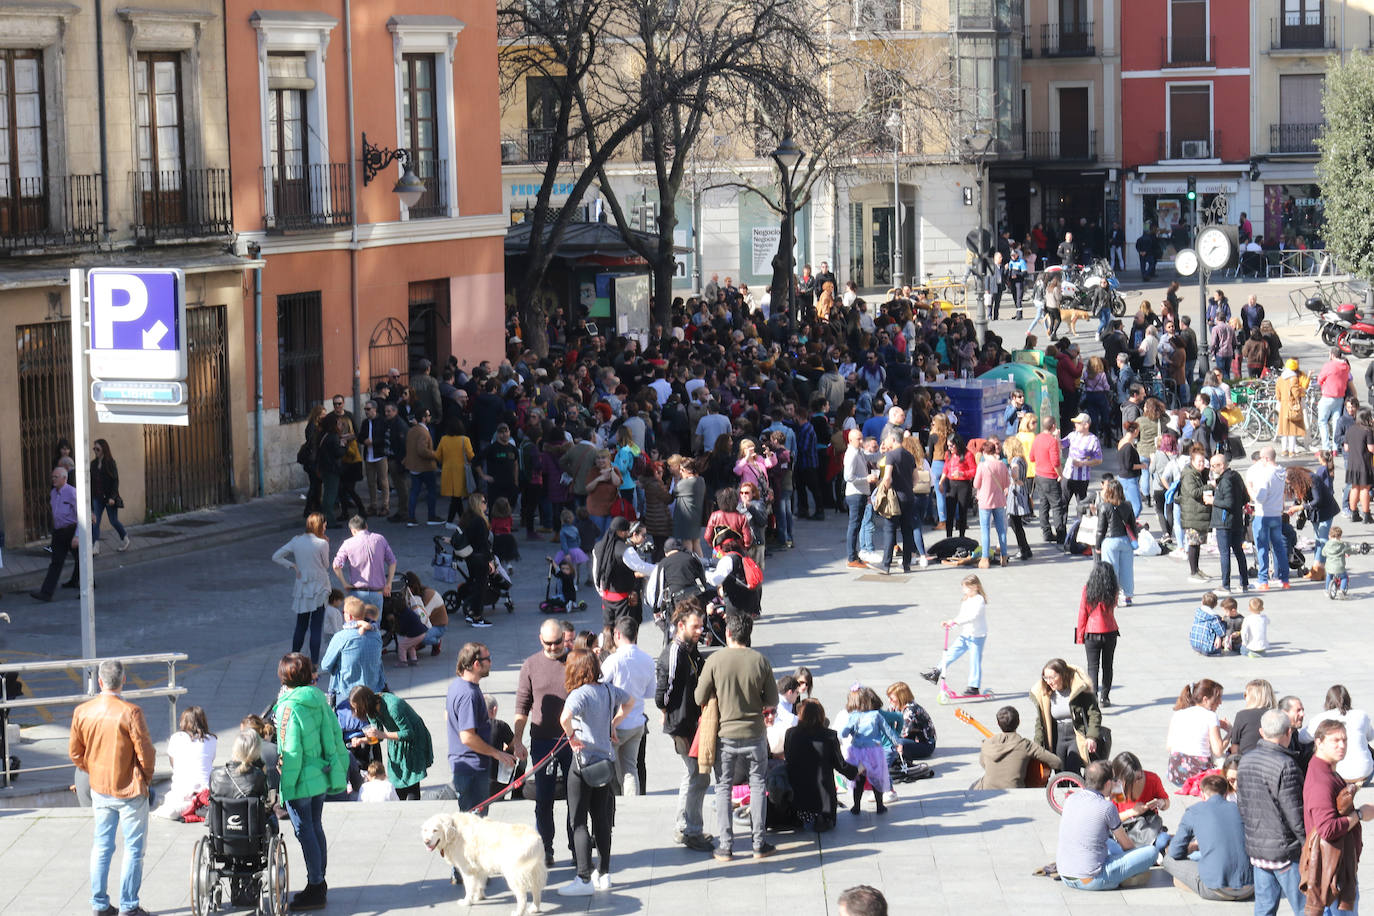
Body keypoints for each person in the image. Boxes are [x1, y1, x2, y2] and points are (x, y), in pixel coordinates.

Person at [70, 660, 155, 916]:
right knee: (133, 849)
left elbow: (75, 752)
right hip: (129, 789)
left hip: (100, 788)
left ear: (99, 681)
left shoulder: (83, 711)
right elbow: (146, 753)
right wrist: (145, 777)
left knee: (102, 846)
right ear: (124, 680)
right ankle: (129, 906)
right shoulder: (131, 712)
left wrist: (92, 769)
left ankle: (99, 904)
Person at [694, 612, 778, 861]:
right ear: (748, 635)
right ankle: (759, 843)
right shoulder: (760, 661)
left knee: (723, 787)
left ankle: (726, 846)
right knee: (758, 785)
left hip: (725, 736)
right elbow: (772, 699)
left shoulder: (715, 660)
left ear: (728, 633)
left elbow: (699, 697)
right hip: (754, 733)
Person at [274, 652, 348, 911]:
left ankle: (315, 886)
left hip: (301, 779)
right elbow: (335, 736)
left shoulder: (288, 705)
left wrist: (287, 787)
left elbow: (290, 750)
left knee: (305, 831)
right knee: (316, 827)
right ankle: (319, 882)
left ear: (286, 677)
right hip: (320, 776)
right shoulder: (318, 698)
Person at [556, 648, 634, 896]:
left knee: (578, 822)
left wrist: (571, 737)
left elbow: (564, 717)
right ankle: (604, 873)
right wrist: (613, 724)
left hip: (582, 765)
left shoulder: (578, 694)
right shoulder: (608, 690)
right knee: (602, 820)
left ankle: (583, 878)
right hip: (605, 764)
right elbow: (630, 701)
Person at [512, 619, 572, 865]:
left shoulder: (575, 660)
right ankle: (545, 849)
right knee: (544, 797)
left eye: (558, 642)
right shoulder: (531, 665)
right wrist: (517, 740)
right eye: (548, 643)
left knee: (575, 797)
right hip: (542, 741)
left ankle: (577, 847)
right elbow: (522, 706)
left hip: (571, 741)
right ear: (541, 640)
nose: (553, 647)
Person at [656, 598, 714, 852]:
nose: (700, 631)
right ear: (681, 625)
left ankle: (684, 825)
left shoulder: (689, 649)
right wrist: (667, 711)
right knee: (699, 775)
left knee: (692, 775)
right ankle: (691, 830)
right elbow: (662, 694)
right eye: (696, 627)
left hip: (689, 721)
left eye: (701, 626)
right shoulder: (675, 652)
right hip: (682, 724)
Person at [1237, 708, 1308, 915]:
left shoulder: (1245, 760)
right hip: (1284, 852)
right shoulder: (1286, 765)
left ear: (1261, 732)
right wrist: (1308, 846)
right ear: (1288, 733)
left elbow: (1242, 806)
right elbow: (1296, 816)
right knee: (1305, 907)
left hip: (1258, 850)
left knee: (1264, 908)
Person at [1056, 761, 1158, 891]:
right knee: (1151, 852)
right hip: (1091, 879)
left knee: (1109, 842)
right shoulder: (1107, 808)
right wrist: (1138, 858)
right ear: (1108, 783)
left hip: (1065, 874)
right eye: (1114, 780)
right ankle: (1124, 875)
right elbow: (1126, 845)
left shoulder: (1072, 799)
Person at [448, 642, 516, 814]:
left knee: (472, 823)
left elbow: (447, 715)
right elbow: (467, 737)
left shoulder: (457, 685)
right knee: (475, 827)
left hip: (466, 766)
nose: (491, 662)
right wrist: (497, 753)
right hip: (472, 769)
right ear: (476, 664)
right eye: (488, 659)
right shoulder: (468, 694)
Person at [1163, 773, 1254, 900]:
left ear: (1203, 794)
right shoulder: (1241, 809)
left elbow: (1175, 851)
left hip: (1217, 889)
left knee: (1168, 859)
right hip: (1250, 888)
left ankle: (1192, 883)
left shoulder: (1194, 811)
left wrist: (1193, 847)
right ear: (1226, 793)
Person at [786, 697, 862, 831]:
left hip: (798, 791)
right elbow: (841, 766)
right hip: (822, 795)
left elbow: (789, 758)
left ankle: (801, 815)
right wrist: (858, 769)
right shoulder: (830, 736)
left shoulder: (791, 734)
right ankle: (821, 817)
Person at [599, 616, 656, 795]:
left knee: (611, 769)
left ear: (617, 634)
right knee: (630, 768)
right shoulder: (647, 660)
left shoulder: (614, 661)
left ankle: (614, 803)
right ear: (636, 634)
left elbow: (599, 686)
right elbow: (651, 692)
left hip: (616, 724)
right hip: (637, 722)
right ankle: (633, 802)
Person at [348, 685, 433, 800]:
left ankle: (413, 805)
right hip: (396, 737)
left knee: (411, 779)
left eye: (358, 708)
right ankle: (400, 803)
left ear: (365, 703)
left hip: (414, 739)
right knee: (396, 777)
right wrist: (361, 740)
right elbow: (378, 736)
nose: (356, 711)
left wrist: (382, 734)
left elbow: (408, 733)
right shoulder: (371, 709)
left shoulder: (393, 706)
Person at [273, 513, 333, 663]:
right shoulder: (322, 543)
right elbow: (326, 565)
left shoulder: (296, 540)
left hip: (302, 587)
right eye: (324, 525)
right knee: (316, 627)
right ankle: (313, 663)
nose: (326, 527)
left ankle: (293, 658)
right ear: (320, 525)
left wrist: (293, 565)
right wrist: (327, 544)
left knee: (301, 625)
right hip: (319, 587)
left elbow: (276, 556)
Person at [1031, 658, 1104, 775]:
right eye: (1046, 678)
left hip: (1076, 734)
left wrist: (1092, 736)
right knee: (1059, 771)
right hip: (1058, 737)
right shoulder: (1045, 694)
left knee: (1073, 768)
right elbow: (1041, 722)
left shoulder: (1079, 690)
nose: (1049, 682)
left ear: (1063, 675)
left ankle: (1078, 790)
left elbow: (1094, 713)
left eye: (1052, 677)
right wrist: (1037, 745)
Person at [920, 575, 989, 696]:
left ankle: (974, 686)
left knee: (975, 660)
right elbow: (961, 616)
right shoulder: (966, 600)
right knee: (950, 652)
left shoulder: (979, 600)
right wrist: (950, 624)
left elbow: (973, 616)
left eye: (966, 588)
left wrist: (955, 622)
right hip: (966, 634)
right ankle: (937, 671)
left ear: (975, 587)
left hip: (977, 636)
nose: (964, 590)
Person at [839, 685, 898, 814]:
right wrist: (897, 743)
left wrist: (844, 734)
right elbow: (888, 730)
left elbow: (843, 733)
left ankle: (856, 806)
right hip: (874, 752)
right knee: (877, 779)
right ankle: (880, 806)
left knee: (858, 780)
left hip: (857, 753)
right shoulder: (876, 715)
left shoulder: (853, 716)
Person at [151, 706, 218, 820]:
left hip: (180, 792)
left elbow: (174, 764)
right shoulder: (212, 739)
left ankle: (185, 808)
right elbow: (209, 761)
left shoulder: (176, 738)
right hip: (204, 793)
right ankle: (194, 807)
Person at [318, 597, 384, 709]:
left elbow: (325, 665)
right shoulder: (376, 635)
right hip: (373, 691)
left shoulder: (341, 637)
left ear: (348, 616)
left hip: (347, 695)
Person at [976, 705, 1062, 789]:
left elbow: (983, 764)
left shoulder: (987, 743)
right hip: (1015, 789)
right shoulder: (1025, 744)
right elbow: (1057, 762)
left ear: (998, 724)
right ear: (1019, 722)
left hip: (987, 789)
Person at [29, 465, 80, 602]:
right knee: (56, 562)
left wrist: (77, 535)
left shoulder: (72, 492)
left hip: (71, 530)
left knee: (82, 560)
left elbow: (81, 515)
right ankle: (46, 593)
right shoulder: (53, 493)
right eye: (52, 477)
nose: (53, 479)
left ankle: (87, 587)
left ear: (64, 478)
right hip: (59, 532)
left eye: (56, 477)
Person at [1168, 679, 1229, 786]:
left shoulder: (1178, 714)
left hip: (1175, 774)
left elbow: (1169, 747)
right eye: (1218, 698)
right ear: (1205, 699)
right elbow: (1218, 751)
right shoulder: (1211, 716)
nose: (1220, 702)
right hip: (1198, 776)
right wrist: (1231, 732)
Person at [1075, 562, 1120, 708]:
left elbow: (1083, 613)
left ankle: (1093, 697)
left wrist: (1079, 635)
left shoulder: (1087, 590)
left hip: (1092, 632)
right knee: (1108, 666)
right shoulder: (1113, 590)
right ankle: (1105, 698)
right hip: (1110, 630)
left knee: (1092, 667)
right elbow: (1113, 606)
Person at [1246, 447, 1291, 590]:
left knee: (1262, 548)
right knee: (1279, 547)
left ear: (1266, 458)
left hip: (1263, 515)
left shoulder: (1266, 475)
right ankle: (1284, 580)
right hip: (1276, 514)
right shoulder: (1281, 471)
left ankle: (1263, 580)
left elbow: (1260, 498)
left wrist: (1250, 490)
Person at [1206, 451, 1250, 595]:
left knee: (1225, 554)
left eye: (1213, 466)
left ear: (1222, 465)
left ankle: (1226, 585)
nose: (1212, 469)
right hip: (1237, 520)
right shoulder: (1236, 476)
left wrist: (1213, 501)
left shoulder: (1225, 481)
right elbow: (1245, 497)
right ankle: (1244, 583)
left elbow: (1228, 502)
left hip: (1224, 523)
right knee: (1239, 552)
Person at [331, 515, 396, 611]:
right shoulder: (380, 539)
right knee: (375, 624)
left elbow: (336, 565)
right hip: (377, 593)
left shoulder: (348, 543)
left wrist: (344, 583)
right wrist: (389, 583)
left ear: (353, 530)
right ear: (366, 526)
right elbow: (392, 562)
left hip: (357, 593)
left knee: (355, 623)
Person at [1312, 685, 1374, 785]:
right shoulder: (1361, 715)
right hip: (1364, 776)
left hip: (1335, 776)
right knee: (1366, 745)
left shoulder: (1321, 718)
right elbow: (1370, 736)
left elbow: (1302, 738)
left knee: (1316, 743)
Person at [1093, 479, 1137, 605]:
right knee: (1127, 570)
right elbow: (1133, 525)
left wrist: (1097, 545)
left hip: (1110, 541)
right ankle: (1127, 597)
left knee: (1112, 570)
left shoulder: (1104, 506)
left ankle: (1113, 597)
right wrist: (1135, 541)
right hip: (1125, 541)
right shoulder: (1127, 505)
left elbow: (1101, 529)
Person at [972, 440, 1010, 567]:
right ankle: (1004, 556)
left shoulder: (982, 466)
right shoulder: (1002, 465)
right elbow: (1006, 484)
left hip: (985, 502)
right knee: (1001, 530)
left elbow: (976, 484)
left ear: (984, 452)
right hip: (999, 500)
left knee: (985, 530)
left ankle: (985, 559)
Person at [90, 439, 130, 553]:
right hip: (97, 497)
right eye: (94, 449)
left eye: (98, 449)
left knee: (113, 521)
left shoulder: (110, 463)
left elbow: (115, 481)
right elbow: (92, 482)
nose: (95, 451)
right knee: (95, 521)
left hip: (108, 498)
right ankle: (95, 546)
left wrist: (112, 497)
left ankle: (125, 538)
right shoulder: (93, 464)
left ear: (104, 449)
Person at [885, 681, 937, 762]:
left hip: (924, 744)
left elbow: (902, 733)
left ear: (901, 697)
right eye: (889, 698)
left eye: (892, 698)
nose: (889, 701)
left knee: (896, 742)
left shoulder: (911, 710)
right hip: (910, 739)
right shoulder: (894, 706)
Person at [1317, 348, 1352, 452]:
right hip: (1340, 397)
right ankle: (1335, 448)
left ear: (1332, 355)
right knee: (1336, 422)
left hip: (1328, 396)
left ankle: (1326, 448)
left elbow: (1320, 379)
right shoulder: (1345, 366)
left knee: (1322, 421)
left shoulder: (1329, 365)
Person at [1230, 679, 1278, 756]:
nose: (1244, 698)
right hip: (1271, 760)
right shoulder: (1277, 715)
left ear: (1252, 697)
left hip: (1246, 761)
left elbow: (1235, 747)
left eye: (1245, 695)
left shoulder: (1242, 715)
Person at [1323, 525, 1353, 599]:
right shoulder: (1342, 545)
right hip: (1339, 566)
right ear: (1340, 537)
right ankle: (1341, 591)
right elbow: (1349, 551)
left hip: (1329, 566)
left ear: (1329, 536)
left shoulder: (1327, 544)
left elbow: (1323, 553)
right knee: (1344, 577)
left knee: (1329, 576)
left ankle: (1327, 590)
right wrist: (1349, 553)